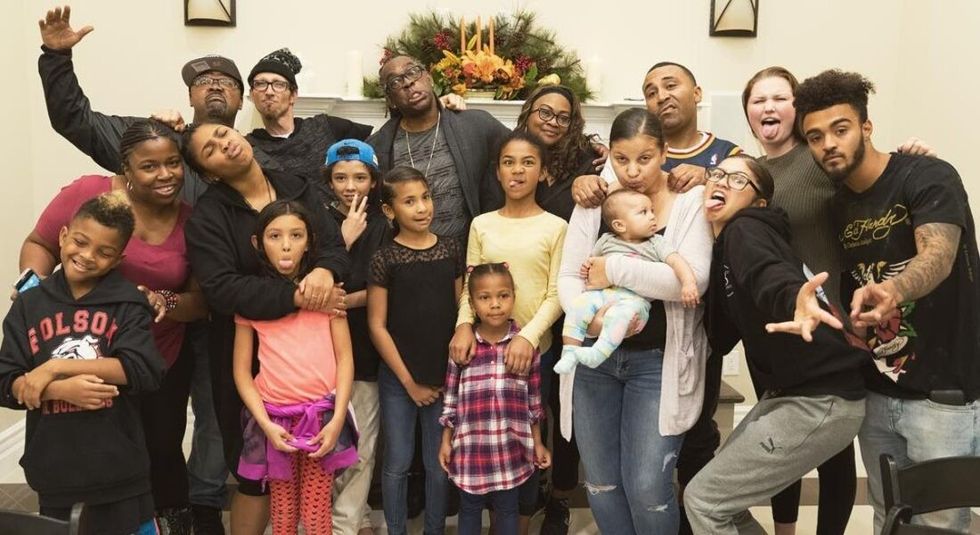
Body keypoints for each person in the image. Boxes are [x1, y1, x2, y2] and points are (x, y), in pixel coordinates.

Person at [35, 8, 243, 529]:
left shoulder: (241, 158)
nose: (165, 173)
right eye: (204, 82)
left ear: (242, 99)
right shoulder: (150, 143)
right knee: (103, 445)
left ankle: (192, 512)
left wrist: (169, 303)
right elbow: (74, 119)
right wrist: (56, 58)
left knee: (182, 435)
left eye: (227, 82)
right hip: (101, 343)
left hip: (188, 331)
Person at [740, 66, 936, 535]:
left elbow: (876, 181)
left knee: (833, 445)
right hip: (778, 323)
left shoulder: (819, 159)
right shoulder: (750, 172)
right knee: (780, 437)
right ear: (748, 114)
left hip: (833, 322)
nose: (768, 107)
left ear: (798, 109)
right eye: (758, 100)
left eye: (779, 98)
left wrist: (911, 158)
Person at [791, 69, 980, 533]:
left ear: (866, 127)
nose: (828, 144)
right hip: (877, 391)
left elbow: (938, 254)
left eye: (840, 129)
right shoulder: (837, 204)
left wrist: (894, 289)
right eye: (815, 137)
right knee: (888, 517)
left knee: (939, 526)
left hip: (943, 395)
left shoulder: (927, 175)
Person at [569, 63, 740, 533]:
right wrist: (590, 321)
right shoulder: (596, 202)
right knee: (601, 483)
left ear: (664, 153)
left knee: (648, 485)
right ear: (609, 156)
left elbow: (690, 283)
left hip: (657, 365)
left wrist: (611, 270)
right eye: (622, 159)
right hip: (595, 359)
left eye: (645, 158)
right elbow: (569, 275)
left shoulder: (688, 203)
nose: (632, 171)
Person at [20, 120, 208, 533]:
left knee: (161, 451)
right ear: (126, 168)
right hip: (82, 352)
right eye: (150, 166)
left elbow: (202, 302)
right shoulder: (88, 194)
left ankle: (170, 527)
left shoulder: (194, 222)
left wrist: (166, 301)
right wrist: (33, 295)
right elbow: (40, 243)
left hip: (156, 358)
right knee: (91, 454)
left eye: (173, 163)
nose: (165, 175)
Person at [684, 154, 868, 534]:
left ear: (760, 202)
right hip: (795, 395)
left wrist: (792, 299)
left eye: (738, 180)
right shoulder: (727, 245)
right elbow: (721, 336)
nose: (722, 182)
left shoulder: (745, 230)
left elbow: (768, 274)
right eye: (718, 174)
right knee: (722, 502)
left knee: (703, 501)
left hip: (819, 398)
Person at [182, 122, 350, 535]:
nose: (224, 145)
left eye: (223, 134)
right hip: (248, 350)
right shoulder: (209, 216)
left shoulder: (297, 186)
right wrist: (297, 296)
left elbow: (332, 246)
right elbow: (222, 289)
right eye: (210, 150)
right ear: (208, 173)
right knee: (255, 475)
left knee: (313, 479)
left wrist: (326, 271)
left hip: (311, 354)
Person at [0, 191, 166, 535]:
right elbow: (6, 381)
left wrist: (54, 368)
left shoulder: (128, 302)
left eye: (104, 252)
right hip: (55, 469)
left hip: (120, 470)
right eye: (80, 242)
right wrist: (58, 390)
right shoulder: (28, 305)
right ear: (63, 236)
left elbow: (141, 369)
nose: (87, 256)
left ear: (118, 259)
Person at [448, 130, 567, 533]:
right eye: (509, 162)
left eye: (528, 162)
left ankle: (519, 524)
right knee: (483, 439)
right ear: (497, 172)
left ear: (543, 171)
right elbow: (471, 284)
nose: (517, 171)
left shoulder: (555, 227)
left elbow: (557, 293)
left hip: (533, 353)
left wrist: (528, 337)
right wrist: (463, 326)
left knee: (525, 440)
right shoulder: (482, 224)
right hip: (482, 352)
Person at [233, 200, 357, 535]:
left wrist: (338, 418)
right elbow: (241, 372)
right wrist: (265, 424)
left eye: (296, 235)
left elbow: (345, 358)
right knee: (283, 516)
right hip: (274, 420)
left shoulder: (328, 295)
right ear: (258, 242)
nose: (286, 245)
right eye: (275, 236)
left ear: (309, 241)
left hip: (321, 419)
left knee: (316, 518)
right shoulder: (251, 301)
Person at [514, 84, 601, 533]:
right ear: (528, 112)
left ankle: (561, 497)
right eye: (544, 111)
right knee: (525, 405)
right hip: (522, 301)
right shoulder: (511, 156)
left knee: (563, 404)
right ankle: (521, 490)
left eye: (562, 116)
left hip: (571, 304)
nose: (552, 121)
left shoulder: (587, 165)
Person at [367, 166, 465, 535]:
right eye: (409, 201)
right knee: (397, 461)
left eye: (425, 197)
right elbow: (377, 325)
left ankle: (434, 529)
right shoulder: (385, 258)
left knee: (439, 461)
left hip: (443, 376)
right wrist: (409, 382)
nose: (422, 207)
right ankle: (397, 530)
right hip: (399, 379)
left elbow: (461, 312)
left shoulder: (450, 249)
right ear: (389, 211)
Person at [439, 263, 553, 535]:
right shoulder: (463, 346)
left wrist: (537, 443)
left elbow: (534, 402)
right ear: (472, 303)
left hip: (510, 448)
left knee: (507, 510)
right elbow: (451, 398)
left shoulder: (524, 347)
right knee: (469, 510)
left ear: (513, 297)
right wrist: (446, 440)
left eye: (503, 296)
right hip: (470, 448)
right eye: (484, 297)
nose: (495, 304)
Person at [321, 139, 391, 535]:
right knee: (328, 439)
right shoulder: (318, 222)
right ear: (329, 181)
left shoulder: (384, 225)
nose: (350, 186)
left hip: (364, 348)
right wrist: (343, 239)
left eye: (360, 177)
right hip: (321, 351)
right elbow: (309, 278)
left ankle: (346, 524)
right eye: (341, 178)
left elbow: (385, 286)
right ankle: (350, 515)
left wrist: (340, 300)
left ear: (374, 180)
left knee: (362, 442)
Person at [556, 189, 699, 374]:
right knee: (578, 306)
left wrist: (688, 283)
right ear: (620, 225)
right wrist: (587, 267)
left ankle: (598, 353)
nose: (652, 216)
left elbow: (677, 262)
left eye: (652, 211)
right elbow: (592, 261)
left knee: (620, 317)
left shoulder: (656, 243)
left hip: (635, 302)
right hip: (604, 294)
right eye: (643, 212)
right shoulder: (606, 240)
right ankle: (569, 352)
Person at [368, 55, 511, 241]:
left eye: (412, 72)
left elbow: (525, 153)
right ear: (391, 100)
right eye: (395, 81)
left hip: (472, 251)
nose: (408, 82)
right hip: (407, 255)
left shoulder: (476, 124)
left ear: (429, 78)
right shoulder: (378, 147)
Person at [245, 48, 374, 184]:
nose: (269, 92)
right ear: (252, 95)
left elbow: (379, 145)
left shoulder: (326, 126)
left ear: (293, 95)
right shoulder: (248, 147)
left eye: (279, 84)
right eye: (260, 84)